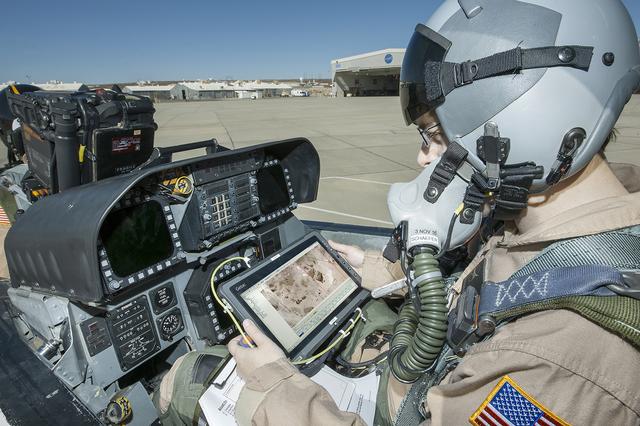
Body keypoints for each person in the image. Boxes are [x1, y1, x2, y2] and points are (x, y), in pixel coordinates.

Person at [157, 0, 640, 424]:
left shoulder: (555, 364)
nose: (422, 160)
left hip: (426, 398)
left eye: (433, 136)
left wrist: (274, 386)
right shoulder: (559, 222)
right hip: (432, 374)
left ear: (523, 129)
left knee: (190, 380)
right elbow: (503, 282)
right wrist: (387, 273)